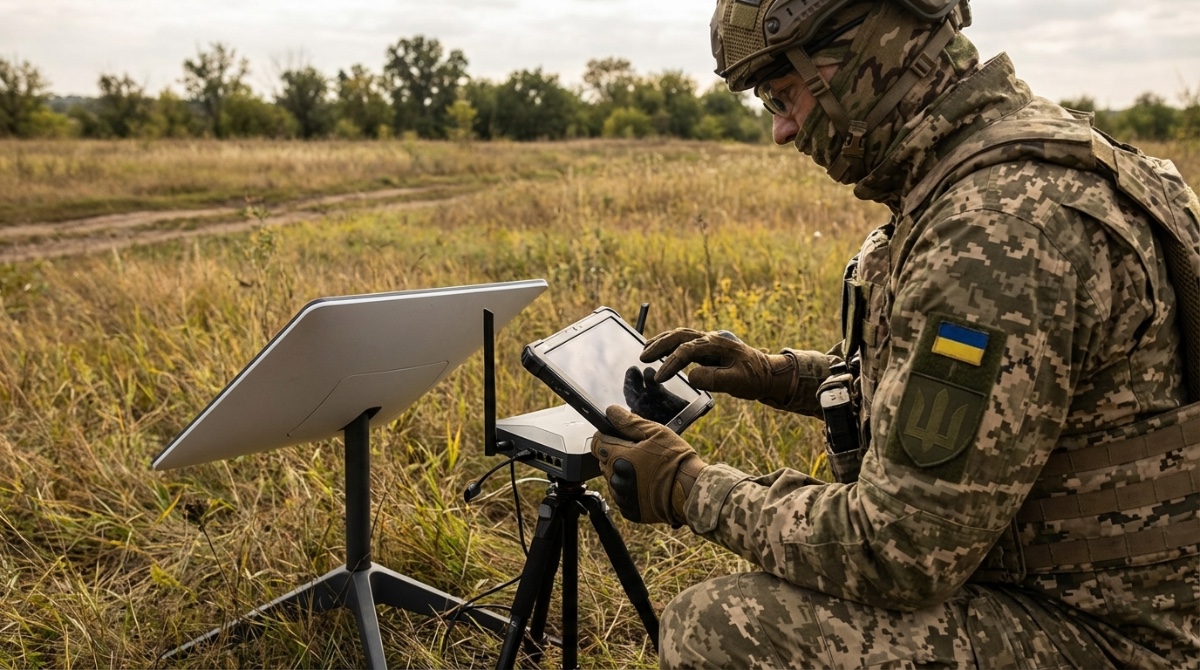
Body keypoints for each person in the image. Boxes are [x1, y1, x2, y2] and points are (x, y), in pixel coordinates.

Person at [590, 0, 1200, 667]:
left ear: (861, 61)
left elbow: (899, 551)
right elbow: (996, 407)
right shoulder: (1029, 167)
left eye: (784, 95)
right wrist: (781, 375)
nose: (783, 132)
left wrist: (687, 486)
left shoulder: (995, 230)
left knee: (718, 626)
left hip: (1113, 638)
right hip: (1106, 600)